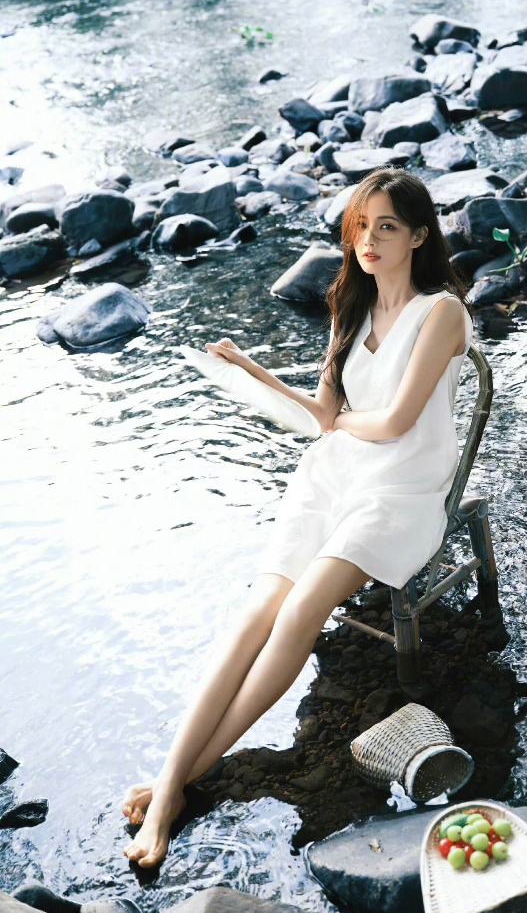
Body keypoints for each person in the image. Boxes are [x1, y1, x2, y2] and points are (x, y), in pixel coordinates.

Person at [121, 167, 474, 867]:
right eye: (361, 225)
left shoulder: (442, 313)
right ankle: (171, 783)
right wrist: (252, 370)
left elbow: (398, 422)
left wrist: (343, 422)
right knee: (256, 613)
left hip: (402, 488)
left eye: (387, 227)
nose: (369, 239)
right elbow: (325, 419)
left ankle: (171, 791)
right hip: (335, 474)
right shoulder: (350, 306)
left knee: (301, 611)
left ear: (418, 236)